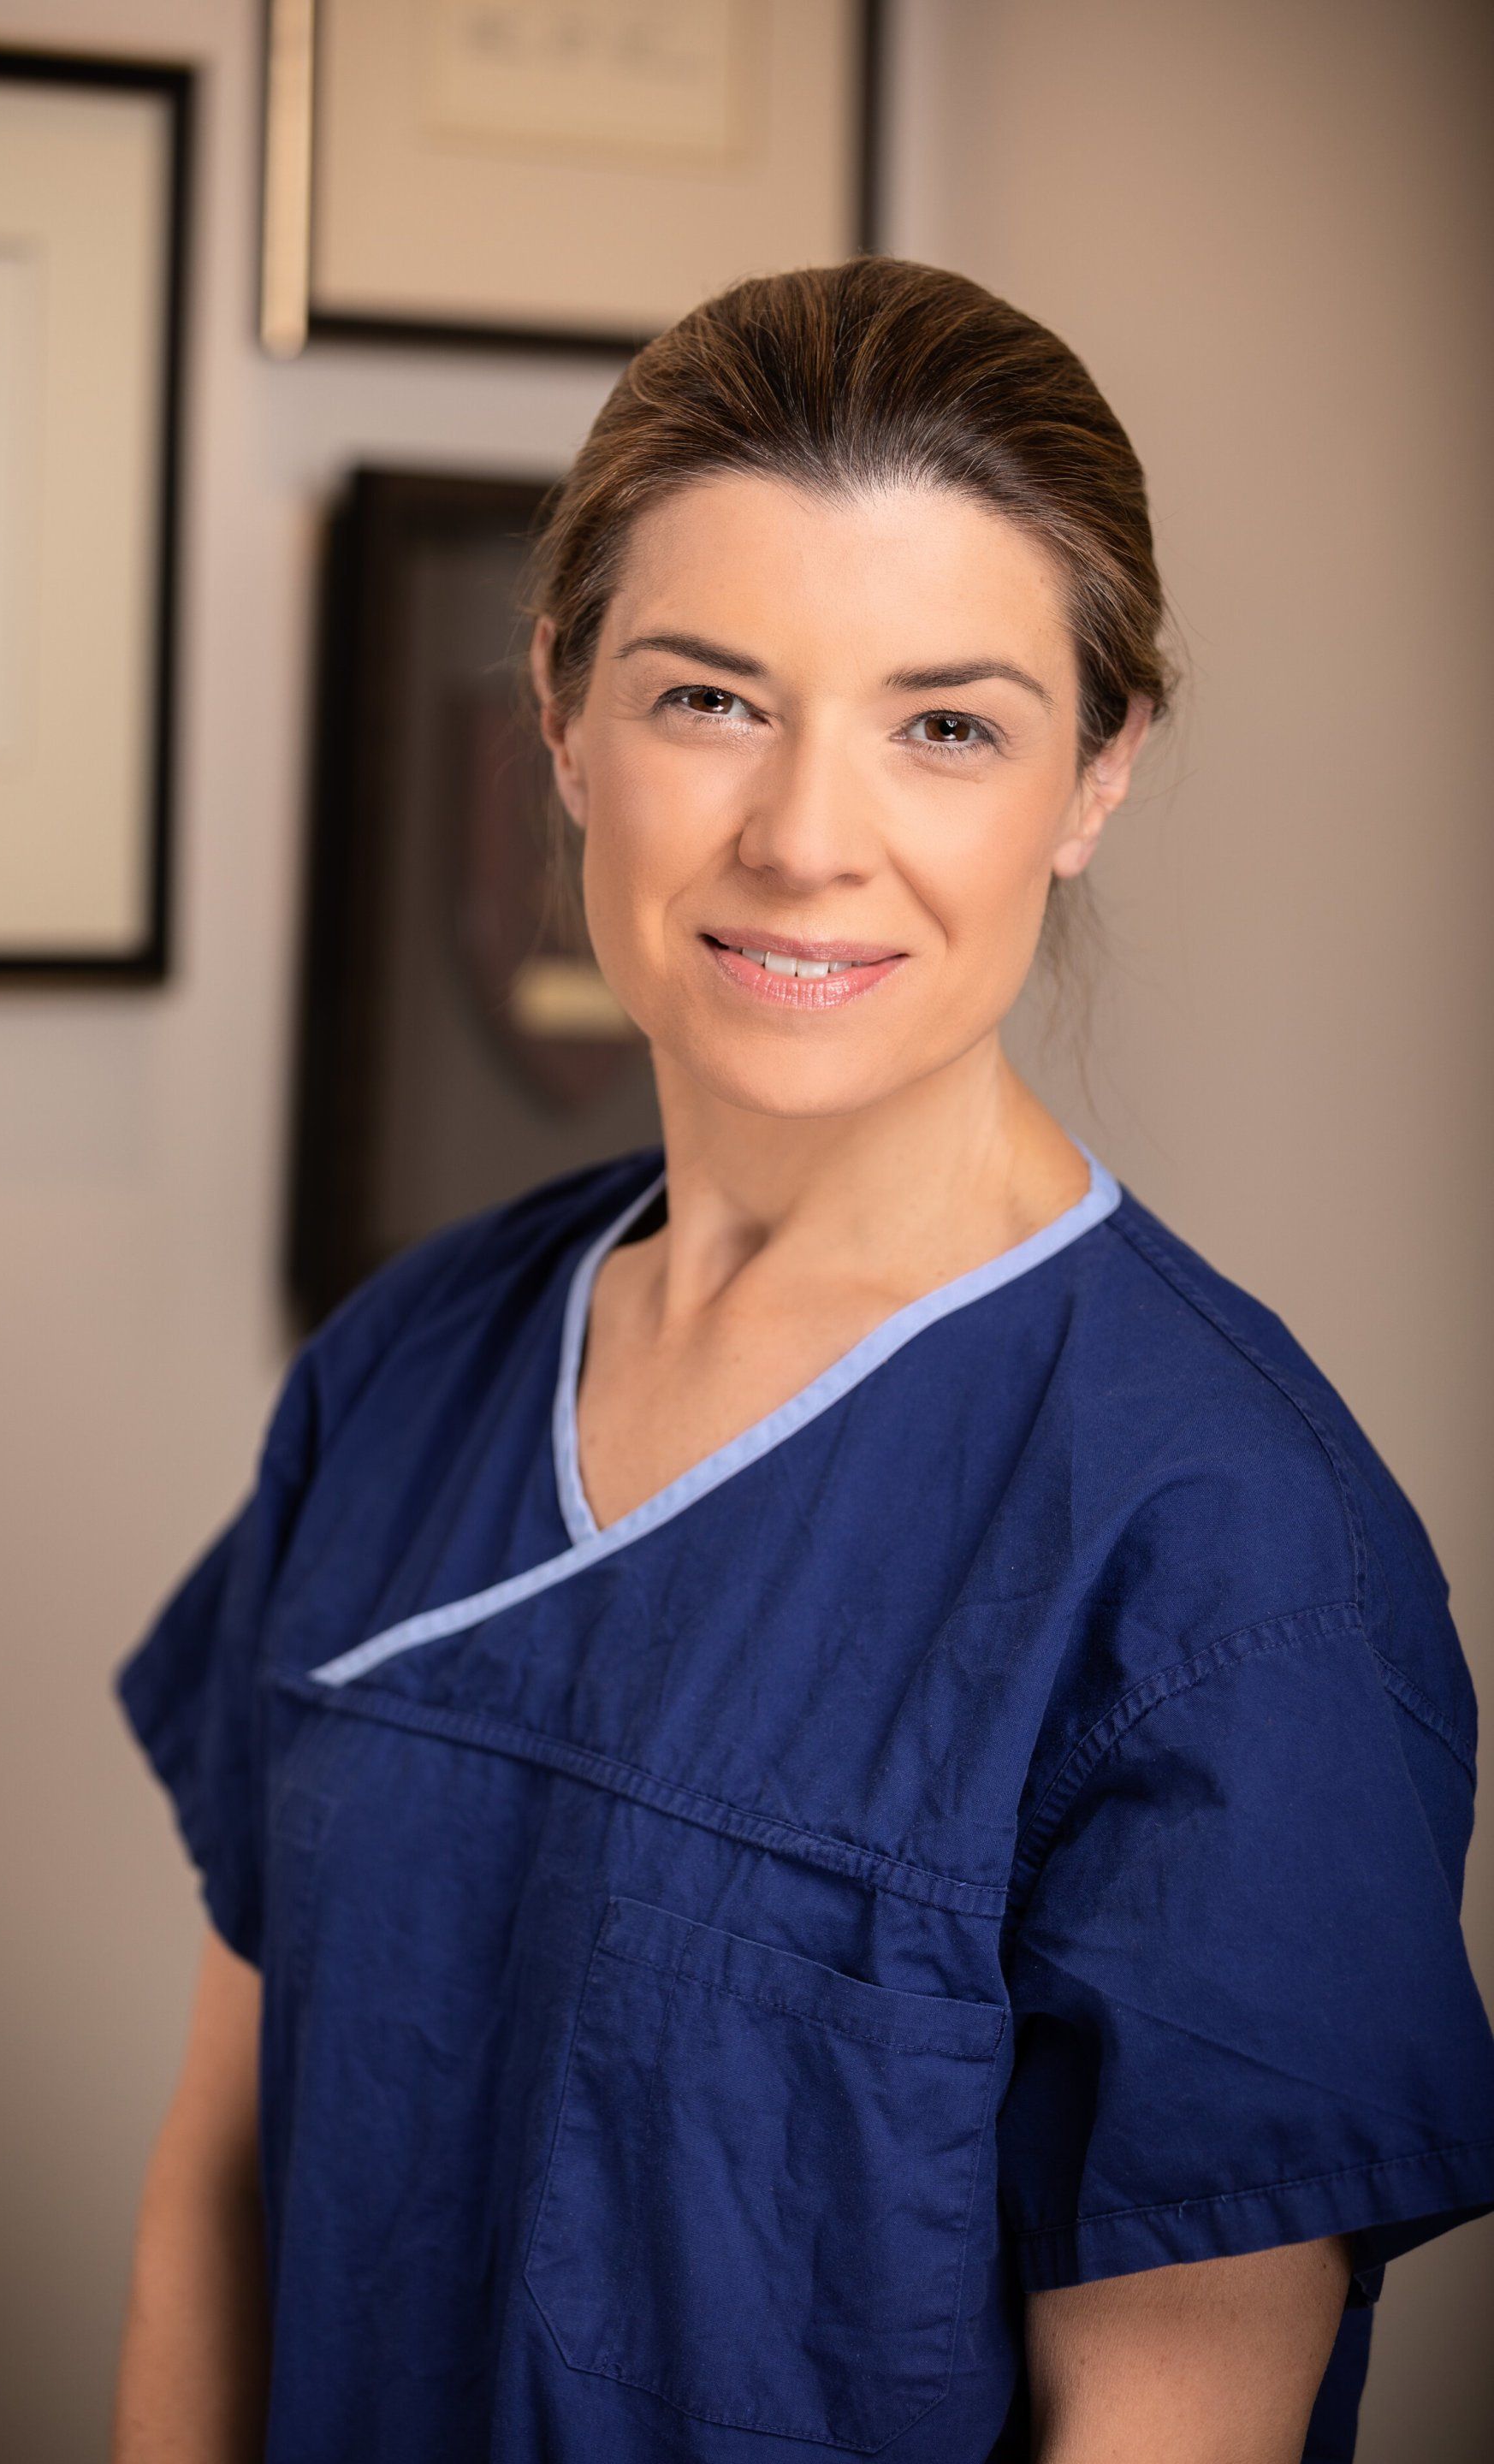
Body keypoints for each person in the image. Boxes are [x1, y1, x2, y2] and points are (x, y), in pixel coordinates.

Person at [109, 258, 1494, 2464]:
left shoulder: (1231, 1571)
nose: (806, 840)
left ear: (1098, 770)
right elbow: (227, 2176)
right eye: (710, 699)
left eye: (947, 723)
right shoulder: (405, 1375)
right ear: (562, 712)